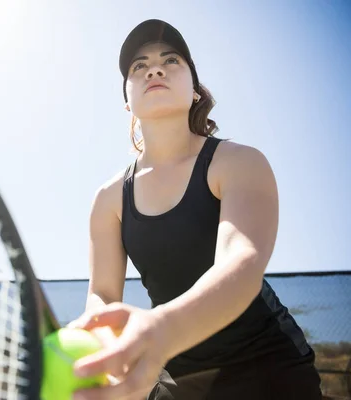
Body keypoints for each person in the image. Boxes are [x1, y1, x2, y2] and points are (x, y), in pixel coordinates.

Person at [67, 19, 323, 400]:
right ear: (127, 100)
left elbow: (240, 263)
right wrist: (98, 342)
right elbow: (103, 294)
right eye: (139, 66)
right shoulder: (109, 198)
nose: (154, 68)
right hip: (180, 379)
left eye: (171, 60)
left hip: (269, 367)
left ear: (195, 90)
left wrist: (160, 331)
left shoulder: (238, 162)